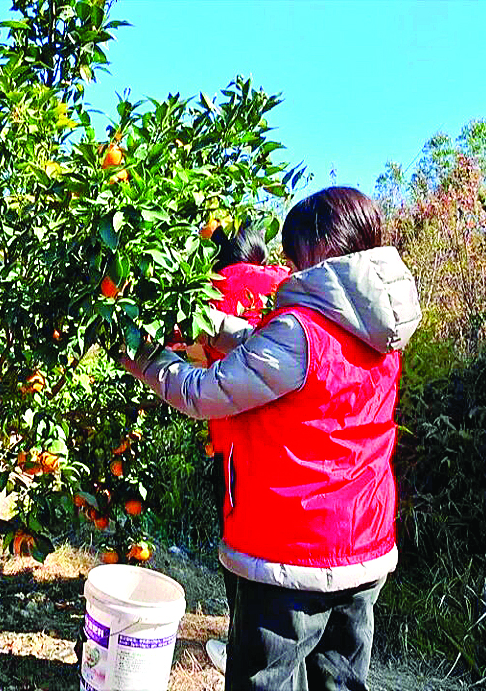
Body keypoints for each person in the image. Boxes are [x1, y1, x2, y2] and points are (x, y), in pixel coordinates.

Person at [120, 186, 421, 691]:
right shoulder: (379, 327)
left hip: (293, 552)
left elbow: (203, 392)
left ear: (322, 249)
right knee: (340, 682)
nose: (290, 264)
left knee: (267, 683)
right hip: (363, 544)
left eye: (296, 251)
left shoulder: (301, 331)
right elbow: (273, 350)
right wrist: (203, 323)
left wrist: (141, 354)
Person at [198, 220, 291, 674]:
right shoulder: (286, 284)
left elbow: (190, 356)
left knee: (241, 551)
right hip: (293, 446)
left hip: (236, 447)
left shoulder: (211, 291)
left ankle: (242, 647)